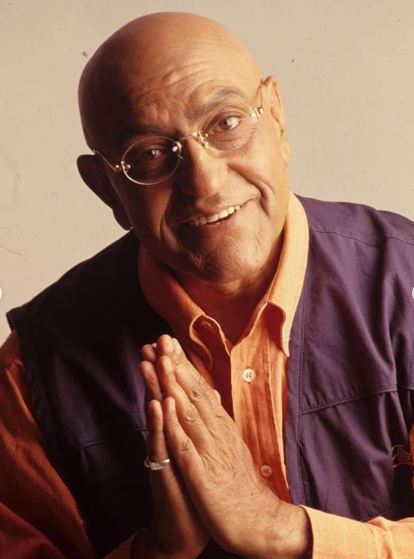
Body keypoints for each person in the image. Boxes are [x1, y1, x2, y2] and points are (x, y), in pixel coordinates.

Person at [1, 11, 414, 559]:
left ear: (278, 119)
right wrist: (157, 551)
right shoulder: (31, 375)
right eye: (150, 154)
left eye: (226, 122)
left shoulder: (405, 283)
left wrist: (281, 530)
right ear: (106, 189)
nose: (205, 181)